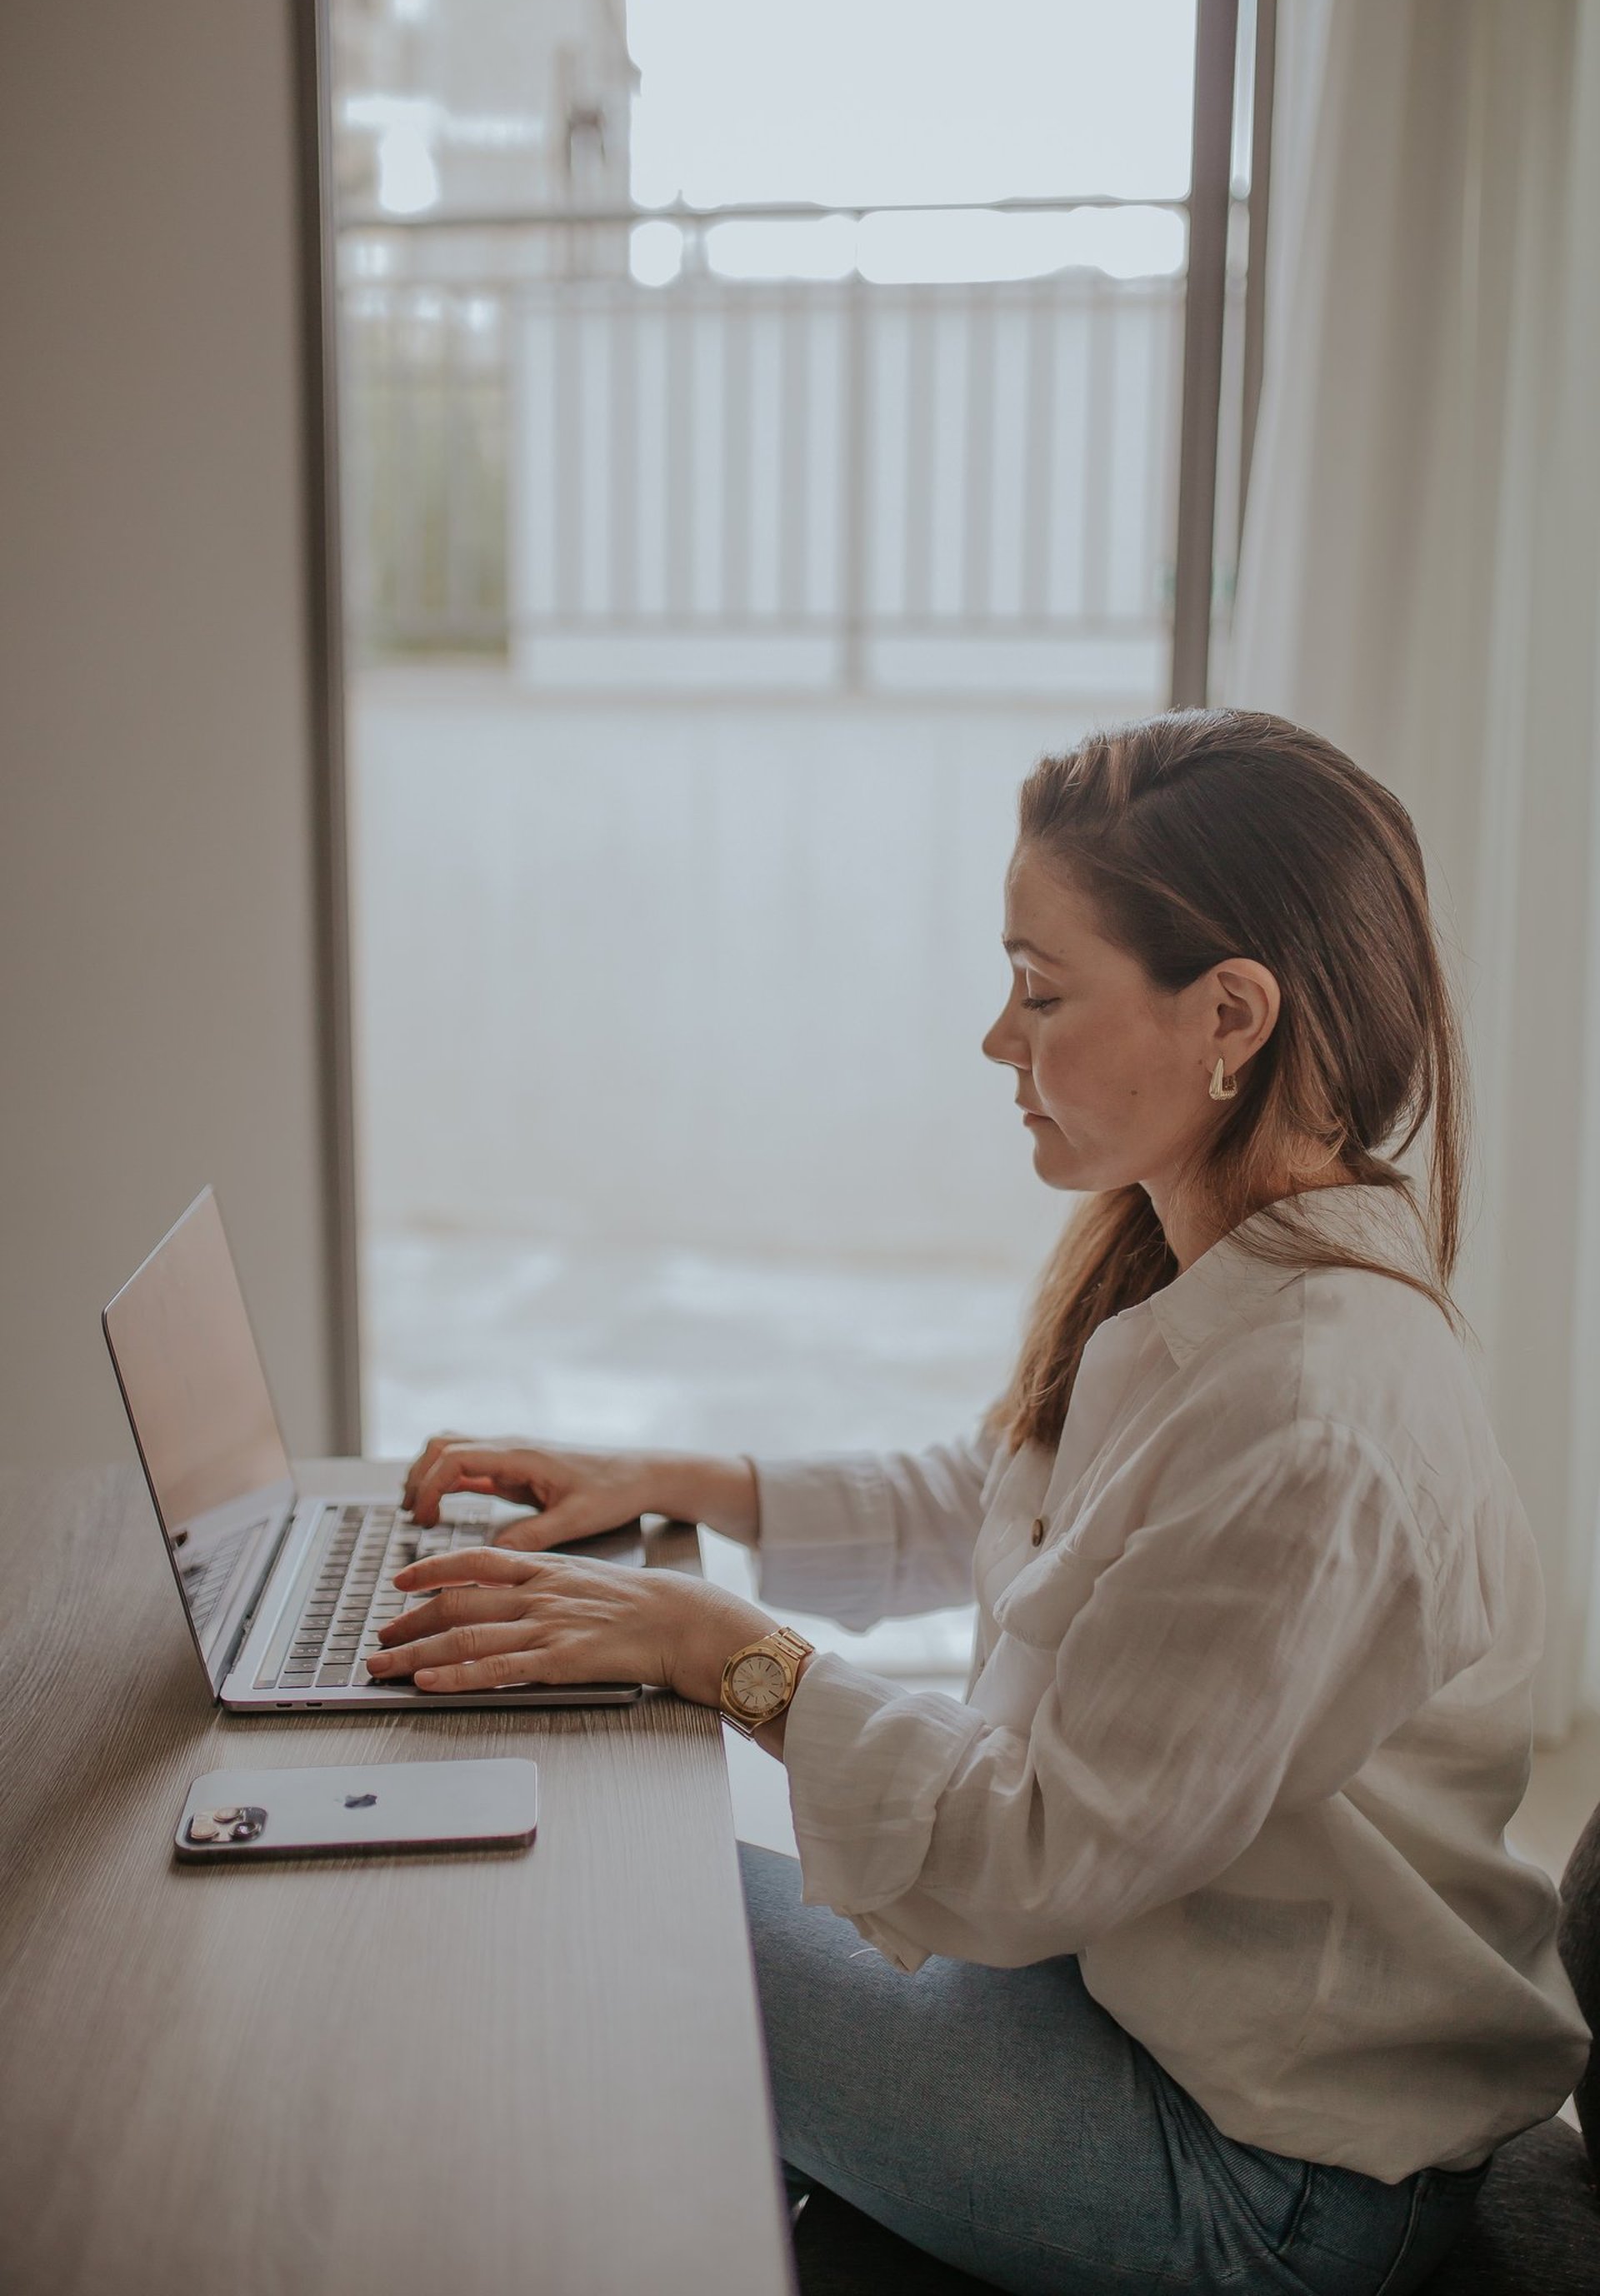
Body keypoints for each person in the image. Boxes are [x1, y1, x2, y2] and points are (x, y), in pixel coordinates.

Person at [374, 711, 1589, 2296]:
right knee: (614, 1859)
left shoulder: (1312, 1420)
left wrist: (714, 1651)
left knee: (593, 1903)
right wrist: (670, 1485)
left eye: (1040, 989)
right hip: (1141, 2002)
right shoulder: (1219, 1266)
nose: (996, 1040)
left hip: (1272, 2176)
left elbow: (1027, 1853)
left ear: (1229, 1015)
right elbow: (999, 1494)